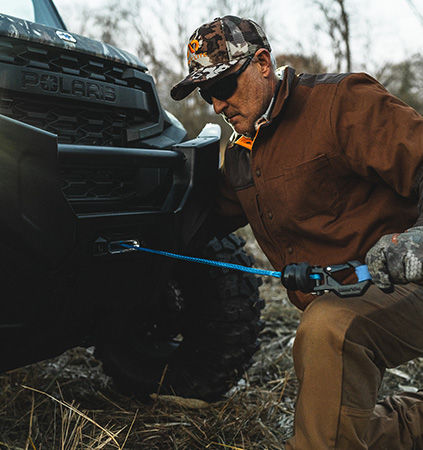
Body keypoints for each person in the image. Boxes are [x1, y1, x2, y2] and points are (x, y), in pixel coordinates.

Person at [170, 15, 423, 450]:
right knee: (349, 434)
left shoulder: (341, 102)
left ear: (263, 63)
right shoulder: (240, 156)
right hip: (344, 300)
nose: (215, 105)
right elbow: (204, 217)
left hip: (410, 280)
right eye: (206, 93)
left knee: (329, 329)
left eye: (223, 87)